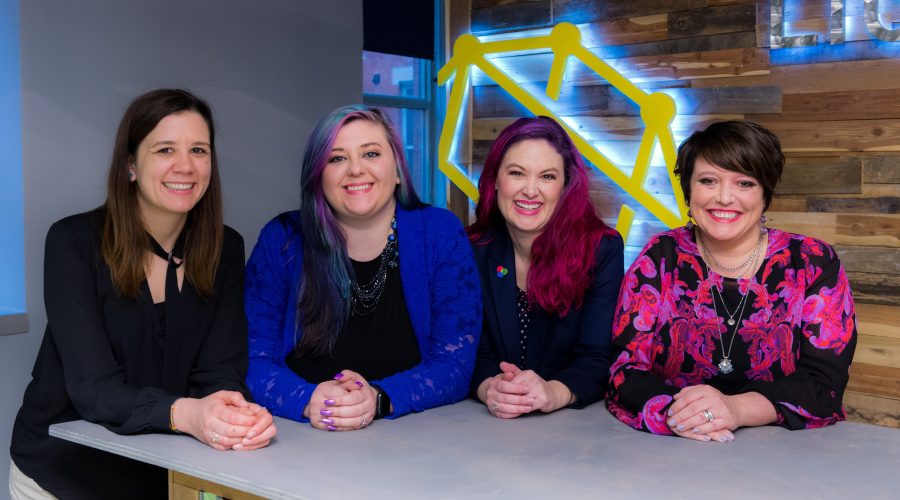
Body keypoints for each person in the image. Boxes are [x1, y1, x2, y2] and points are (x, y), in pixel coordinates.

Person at [9, 89, 276, 499]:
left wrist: (231, 414)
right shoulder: (73, 243)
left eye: (199, 150)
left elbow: (220, 370)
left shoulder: (226, 248)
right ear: (131, 165)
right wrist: (188, 414)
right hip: (63, 476)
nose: (185, 166)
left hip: (161, 477)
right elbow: (93, 388)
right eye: (165, 149)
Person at [607, 120, 857, 442]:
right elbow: (624, 367)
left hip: (785, 455)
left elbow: (824, 382)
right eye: (708, 181)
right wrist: (688, 416)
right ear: (689, 190)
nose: (725, 198)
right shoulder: (660, 256)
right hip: (672, 448)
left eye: (745, 183)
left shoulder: (812, 261)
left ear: (766, 192)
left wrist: (734, 409)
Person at [245, 105, 481, 431]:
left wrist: (377, 398)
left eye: (371, 154)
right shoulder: (281, 239)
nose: (355, 169)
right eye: (337, 158)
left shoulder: (439, 234)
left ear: (397, 170)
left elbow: (454, 365)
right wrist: (308, 399)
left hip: (417, 443)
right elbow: (252, 360)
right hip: (298, 440)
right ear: (317, 177)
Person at [467, 116, 623, 418]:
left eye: (547, 177)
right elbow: (469, 349)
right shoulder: (472, 249)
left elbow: (597, 356)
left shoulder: (602, 250)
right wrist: (490, 387)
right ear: (495, 180)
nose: (530, 190)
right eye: (516, 173)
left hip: (575, 432)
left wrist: (554, 392)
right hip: (483, 431)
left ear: (565, 186)